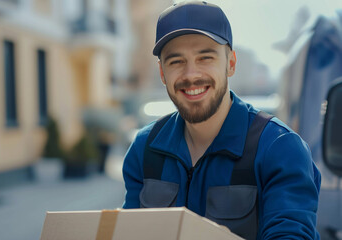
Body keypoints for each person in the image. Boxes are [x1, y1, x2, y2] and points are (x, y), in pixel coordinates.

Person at [122, 1, 321, 239]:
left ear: (231, 63)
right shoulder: (144, 150)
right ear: (163, 73)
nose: (191, 75)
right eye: (176, 61)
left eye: (205, 58)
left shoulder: (280, 148)